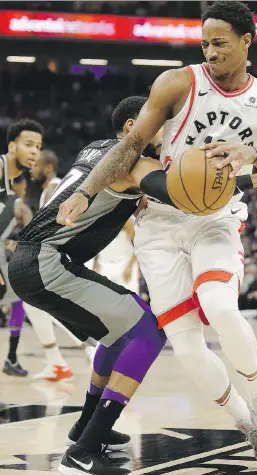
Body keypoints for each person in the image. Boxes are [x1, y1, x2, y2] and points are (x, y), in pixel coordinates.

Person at [57, 1, 257, 467]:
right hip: (160, 224)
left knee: (218, 303)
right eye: (205, 44)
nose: (210, 52)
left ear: (247, 41)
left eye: (221, 43)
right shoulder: (177, 83)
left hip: (216, 217)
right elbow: (130, 147)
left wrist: (253, 154)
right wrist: (86, 193)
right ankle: (245, 423)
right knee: (188, 346)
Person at [9, 96, 167, 475]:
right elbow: (178, 189)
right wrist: (249, 175)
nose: (166, 129)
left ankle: (85, 425)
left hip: (33, 260)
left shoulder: (94, 147)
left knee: (116, 336)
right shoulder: (132, 160)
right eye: (159, 121)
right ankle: (84, 449)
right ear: (133, 127)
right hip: (48, 261)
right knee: (150, 332)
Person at [25, 149, 95, 381]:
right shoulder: (49, 190)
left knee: (48, 305)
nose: (31, 169)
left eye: (36, 165)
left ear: (47, 168)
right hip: (59, 255)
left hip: (65, 256)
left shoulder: (56, 185)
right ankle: (57, 362)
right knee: (35, 304)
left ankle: (92, 348)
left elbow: (63, 225)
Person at [0, 119, 43, 379]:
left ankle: (12, 357)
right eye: (28, 145)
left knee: (17, 298)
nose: (34, 151)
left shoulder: (17, 183)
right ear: (12, 146)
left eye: (38, 146)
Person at [2, 175, 33, 376]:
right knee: (18, 306)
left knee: (18, 306)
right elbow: (32, 233)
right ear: (18, 185)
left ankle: (12, 358)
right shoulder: (18, 204)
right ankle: (11, 357)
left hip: (8, 261)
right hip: (5, 263)